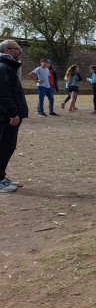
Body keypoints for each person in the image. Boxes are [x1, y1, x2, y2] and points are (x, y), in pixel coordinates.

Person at [0, 40, 29, 193]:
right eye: (17, 49)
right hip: (6, 116)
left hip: (8, 115)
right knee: (4, 146)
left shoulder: (7, 67)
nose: (20, 51)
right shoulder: (3, 68)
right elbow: (3, 94)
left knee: (7, 146)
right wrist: (12, 113)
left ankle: (1, 176)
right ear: (7, 50)